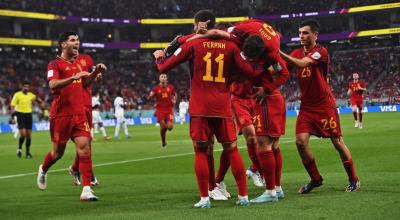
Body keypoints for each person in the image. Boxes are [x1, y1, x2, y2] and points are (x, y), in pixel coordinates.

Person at [153, 9, 263, 208]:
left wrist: (159, 56)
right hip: (222, 106)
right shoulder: (230, 46)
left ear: (200, 24)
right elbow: (250, 72)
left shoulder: (193, 43)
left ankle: (205, 198)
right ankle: (243, 196)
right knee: (232, 149)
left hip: (199, 107)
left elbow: (164, 67)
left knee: (200, 151)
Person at [194, 19, 289, 203]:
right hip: (239, 99)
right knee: (248, 139)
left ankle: (264, 179)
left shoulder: (270, 53)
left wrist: (267, 87)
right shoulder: (232, 45)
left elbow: (283, 71)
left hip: (258, 98)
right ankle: (257, 178)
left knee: (266, 143)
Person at [280, 19, 360, 193]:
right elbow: (279, 69)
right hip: (307, 108)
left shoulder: (321, 51)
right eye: (300, 32)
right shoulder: (295, 52)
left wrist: (277, 51)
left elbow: (302, 64)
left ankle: (353, 179)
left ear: (315, 34)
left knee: (337, 142)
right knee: (300, 142)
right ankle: (315, 179)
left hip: (325, 106)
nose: (301, 36)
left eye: (305, 32)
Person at [36, 31, 106, 201]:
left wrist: (95, 72)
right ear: (63, 44)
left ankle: (86, 190)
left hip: (79, 114)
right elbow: (53, 84)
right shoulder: (55, 64)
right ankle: (43, 169)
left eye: (78, 40)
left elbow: (84, 84)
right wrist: (73, 77)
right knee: (57, 153)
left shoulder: (78, 65)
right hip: (60, 116)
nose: (77, 43)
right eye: (73, 40)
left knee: (85, 147)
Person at [11, 81, 44, 159]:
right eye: (25, 86)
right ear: (22, 87)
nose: (26, 88)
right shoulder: (17, 95)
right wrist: (13, 117)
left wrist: (41, 103)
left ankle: (27, 153)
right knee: (23, 134)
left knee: (29, 135)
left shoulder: (30, 95)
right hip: (20, 114)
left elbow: (36, 99)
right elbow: (12, 105)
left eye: (27, 87)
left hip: (28, 115)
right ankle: (19, 149)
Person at [148, 74, 176, 148]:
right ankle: (164, 142)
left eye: (164, 77)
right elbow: (150, 96)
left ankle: (163, 132)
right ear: (159, 79)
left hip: (169, 110)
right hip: (160, 110)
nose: (163, 78)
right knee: (163, 126)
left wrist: (174, 100)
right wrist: (150, 95)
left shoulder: (170, 87)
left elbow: (175, 94)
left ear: (166, 79)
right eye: (162, 77)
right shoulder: (156, 88)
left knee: (170, 127)